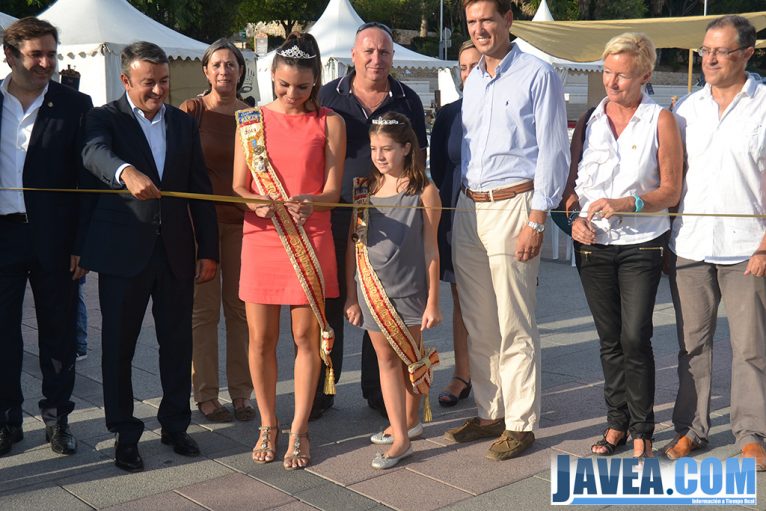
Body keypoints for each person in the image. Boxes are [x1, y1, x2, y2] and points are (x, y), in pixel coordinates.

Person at [79, 41, 218, 473]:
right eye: (148, 83)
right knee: (118, 347)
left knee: (176, 343)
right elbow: (93, 153)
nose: (158, 90)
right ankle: (123, 431)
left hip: (176, 253)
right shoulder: (105, 118)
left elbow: (200, 187)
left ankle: (176, 424)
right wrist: (125, 171)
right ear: (126, 80)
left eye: (163, 82)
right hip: (124, 255)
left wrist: (208, 250)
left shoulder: (180, 122)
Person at [444, 0, 569, 461]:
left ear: (508, 20)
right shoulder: (473, 79)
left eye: (487, 20)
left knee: (515, 321)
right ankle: (490, 410)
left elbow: (554, 150)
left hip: (514, 205)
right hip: (469, 209)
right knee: (479, 321)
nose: (479, 29)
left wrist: (537, 218)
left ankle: (521, 422)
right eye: (472, 22)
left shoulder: (538, 74)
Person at [564, 33, 683, 458]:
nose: (612, 83)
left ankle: (643, 428)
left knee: (635, 336)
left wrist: (629, 203)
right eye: (607, 73)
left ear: (645, 75)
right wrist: (575, 220)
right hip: (593, 246)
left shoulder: (660, 120)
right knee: (609, 339)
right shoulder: (589, 118)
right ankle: (616, 424)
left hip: (642, 244)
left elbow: (671, 190)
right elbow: (572, 187)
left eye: (622, 76)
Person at [232, 33, 345, 470]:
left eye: (301, 87)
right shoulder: (251, 122)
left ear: (316, 81)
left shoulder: (330, 122)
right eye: (283, 85)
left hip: (308, 235)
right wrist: (252, 200)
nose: (292, 94)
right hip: (262, 235)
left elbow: (333, 190)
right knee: (260, 339)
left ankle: (299, 428)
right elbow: (239, 185)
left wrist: (311, 200)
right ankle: (267, 423)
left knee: (305, 338)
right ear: (271, 77)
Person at [665, 15, 766, 470]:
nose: (708, 58)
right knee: (692, 345)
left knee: (751, 347)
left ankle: (752, 433)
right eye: (704, 50)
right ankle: (691, 428)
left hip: (749, 249)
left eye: (720, 51)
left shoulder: (764, 105)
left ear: (747, 53)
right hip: (691, 246)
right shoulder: (687, 108)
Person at [317, 21, 428, 419]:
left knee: (380, 300)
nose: (376, 59)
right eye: (368, 51)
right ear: (353, 55)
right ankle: (322, 389)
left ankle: (379, 391)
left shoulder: (407, 98)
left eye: (383, 52)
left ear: (392, 56)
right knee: (336, 300)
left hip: (390, 218)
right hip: (337, 212)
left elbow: (419, 157)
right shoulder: (328, 96)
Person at [0, 17, 93, 458]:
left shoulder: (75, 105)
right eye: (36, 54)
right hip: (3, 236)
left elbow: (87, 182)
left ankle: (58, 420)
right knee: (2, 335)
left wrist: (82, 244)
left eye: (52, 53)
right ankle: (6, 419)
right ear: (10, 55)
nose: (46, 62)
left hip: (56, 240)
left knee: (57, 335)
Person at [345, 112, 441, 469]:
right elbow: (353, 244)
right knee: (386, 361)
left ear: (406, 148)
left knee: (411, 361)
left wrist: (434, 300)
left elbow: (432, 249)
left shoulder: (425, 191)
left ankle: (409, 423)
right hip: (372, 289)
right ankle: (401, 433)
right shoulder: (363, 190)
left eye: (387, 148)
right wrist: (352, 295)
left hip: (411, 290)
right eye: (373, 148)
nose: (380, 156)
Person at [180, 39, 254, 424]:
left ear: (241, 71)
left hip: (244, 225)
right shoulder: (192, 111)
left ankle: (242, 394)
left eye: (231, 64)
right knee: (203, 313)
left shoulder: (253, 117)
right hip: (202, 228)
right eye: (217, 64)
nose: (225, 70)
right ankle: (206, 396)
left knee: (241, 312)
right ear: (206, 71)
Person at [430, 40, 480, 408]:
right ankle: (463, 373)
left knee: (495, 302)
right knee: (461, 298)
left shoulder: (508, 108)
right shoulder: (448, 115)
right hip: (457, 214)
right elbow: (439, 170)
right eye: (463, 67)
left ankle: (495, 376)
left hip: (499, 215)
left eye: (476, 65)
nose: (469, 73)